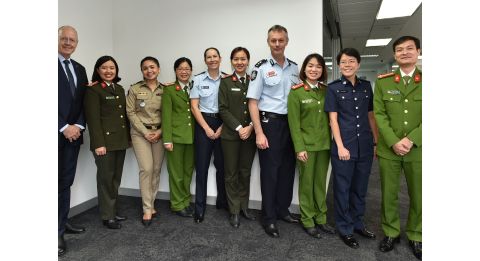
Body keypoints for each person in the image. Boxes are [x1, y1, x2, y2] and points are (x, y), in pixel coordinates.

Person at [247, 25, 301, 238]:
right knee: (270, 172)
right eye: (273, 40)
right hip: (270, 124)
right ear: (268, 42)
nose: (277, 44)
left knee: (288, 169)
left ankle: (282, 209)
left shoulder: (295, 68)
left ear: (287, 41)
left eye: (281, 40)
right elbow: (252, 102)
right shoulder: (260, 68)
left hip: (292, 125)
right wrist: (259, 132)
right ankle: (268, 217)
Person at [324, 48, 378, 249]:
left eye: (351, 61)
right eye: (344, 62)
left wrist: (375, 141)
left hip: (364, 145)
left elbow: (370, 115)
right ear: (339, 66)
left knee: (360, 188)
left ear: (358, 64)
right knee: (343, 189)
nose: (347, 65)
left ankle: (358, 223)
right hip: (344, 146)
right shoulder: (334, 88)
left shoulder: (366, 86)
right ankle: (345, 228)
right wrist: (340, 146)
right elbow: (333, 120)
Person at [374, 36, 422, 260]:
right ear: (394, 55)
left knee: (419, 195)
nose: (404, 53)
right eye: (399, 50)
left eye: (409, 49)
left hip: (419, 149)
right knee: (389, 194)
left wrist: (411, 139)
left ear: (418, 52)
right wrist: (394, 141)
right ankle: (391, 232)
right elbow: (380, 115)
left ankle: (416, 234)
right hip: (388, 149)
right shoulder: (383, 82)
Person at [287, 53, 335, 239]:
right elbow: (294, 123)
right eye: (310, 66)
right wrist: (299, 148)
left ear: (322, 70)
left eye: (318, 66)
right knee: (306, 185)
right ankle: (307, 219)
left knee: (320, 184)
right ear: (304, 69)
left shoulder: (326, 90)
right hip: (306, 147)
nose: (314, 69)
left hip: (324, 146)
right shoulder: (296, 91)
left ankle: (321, 218)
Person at [84, 55, 130, 230]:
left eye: (112, 68)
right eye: (104, 67)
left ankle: (112, 210)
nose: (108, 71)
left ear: (116, 70)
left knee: (115, 178)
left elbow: (122, 117)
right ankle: (107, 216)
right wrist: (98, 144)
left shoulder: (118, 88)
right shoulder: (93, 90)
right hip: (104, 143)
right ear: (97, 70)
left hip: (119, 141)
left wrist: (128, 138)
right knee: (105, 179)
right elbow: (93, 120)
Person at [58, 25, 88, 257]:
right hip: (56, 133)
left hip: (73, 137)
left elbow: (82, 101)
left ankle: (61, 222)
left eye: (72, 40)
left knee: (65, 181)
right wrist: (62, 126)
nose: (68, 43)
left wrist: (77, 126)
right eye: (64, 39)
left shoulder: (79, 68)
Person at [218, 47, 257, 228]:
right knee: (231, 173)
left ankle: (244, 207)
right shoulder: (225, 81)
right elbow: (223, 109)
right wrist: (240, 127)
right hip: (230, 136)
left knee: (245, 172)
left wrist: (250, 127)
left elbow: (258, 105)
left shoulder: (254, 80)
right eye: (236, 59)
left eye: (243, 59)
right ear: (231, 61)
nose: (240, 62)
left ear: (248, 61)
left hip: (250, 135)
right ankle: (234, 210)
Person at [190, 47, 228, 223]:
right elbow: (194, 107)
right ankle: (200, 209)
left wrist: (221, 127)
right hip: (203, 124)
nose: (212, 59)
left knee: (223, 166)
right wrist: (206, 128)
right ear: (205, 60)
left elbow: (231, 107)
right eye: (208, 57)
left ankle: (222, 202)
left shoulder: (228, 79)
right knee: (202, 168)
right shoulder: (197, 79)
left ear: (220, 59)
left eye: (215, 56)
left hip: (223, 123)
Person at [126, 56, 165, 227]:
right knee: (146, 169)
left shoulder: (165, 89)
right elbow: (130, 112)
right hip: (140, 134)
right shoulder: (134, 89)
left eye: (152, 67)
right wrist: (145, 132)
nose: (149, 70)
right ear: (142, 71)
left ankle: (152, 202)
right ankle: (147, 208)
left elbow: (168, 113)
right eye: (145, 68)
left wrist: (160, 131)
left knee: (156, 169)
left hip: (159, 133)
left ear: (158, 69)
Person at [162, 57, 195, 218]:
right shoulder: (169, 90)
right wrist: (167, 139)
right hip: (175, 137)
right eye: (181, 68)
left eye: (187, 68)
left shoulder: (194, 87)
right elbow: (166, 116)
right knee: (176, 173)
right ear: (175, 71)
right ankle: (177, 204)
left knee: (188, 172)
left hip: (192, 138)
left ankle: (186, 201)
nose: (184, 71)